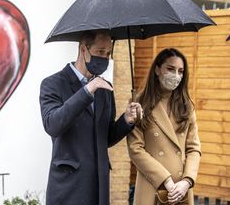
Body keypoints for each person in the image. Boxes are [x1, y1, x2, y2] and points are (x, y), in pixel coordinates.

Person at [39, 30, 142, 205]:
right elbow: (52, 125)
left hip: (99, 188)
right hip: (68, 188)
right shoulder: (53, 84)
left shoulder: (105, 88)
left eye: (108, 53)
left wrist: (126, 120)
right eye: (100, 52)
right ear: (83, 50)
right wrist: (87, 91)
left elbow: (106, 137)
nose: (105, 58)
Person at [127, 48, 201, 205]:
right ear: (157, 69)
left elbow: (194, 148)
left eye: (181, 71)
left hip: (181, 190)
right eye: (170, 69)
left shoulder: (187, 106)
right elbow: (135, 149)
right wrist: (165, 180)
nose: (176, 76)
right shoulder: (140, 103)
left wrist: (187, 181)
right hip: (152, 185)